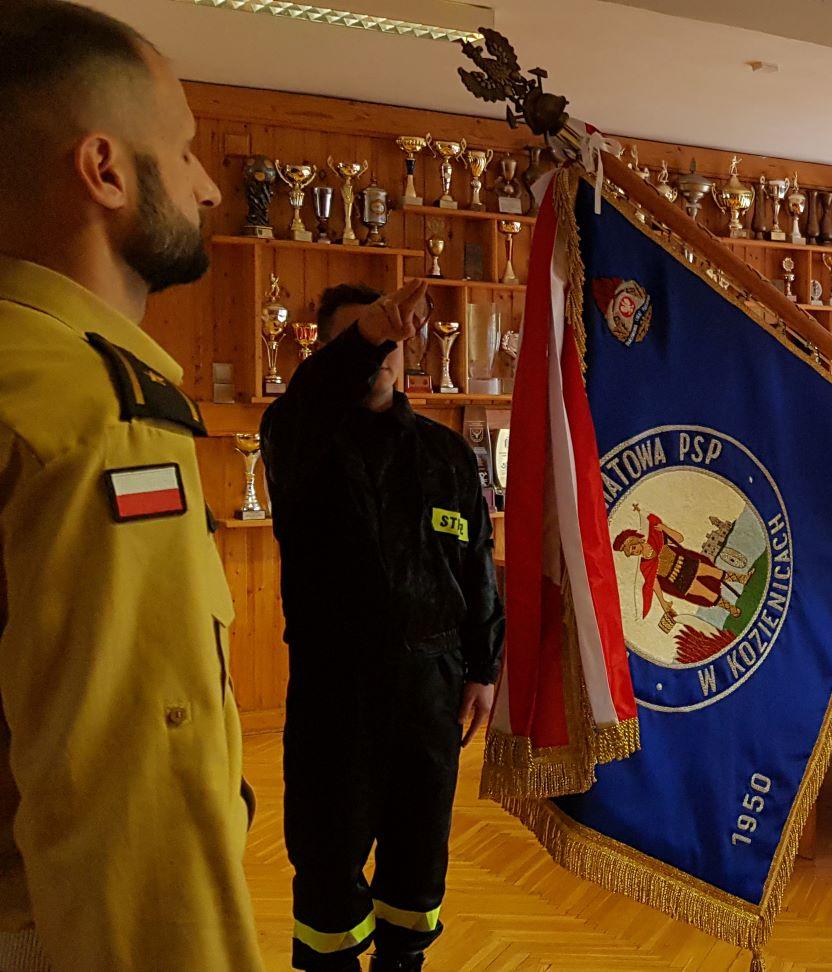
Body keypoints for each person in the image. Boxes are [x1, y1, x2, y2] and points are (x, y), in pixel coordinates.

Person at [0, 3, 260, 968]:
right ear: (105, 170)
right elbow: (137, 790)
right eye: (183, 149)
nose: (207, 186)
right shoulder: (97, 415)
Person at [260, 281, 503, 972]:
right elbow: (307, 402)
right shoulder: (299, 442)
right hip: (336, 692)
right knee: (328, 852)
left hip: (432, 687)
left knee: (419, 851)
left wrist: (484, 667)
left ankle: (403, 959)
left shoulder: (445, 454)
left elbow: (476, 565)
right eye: (360, 337)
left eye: (389, 340)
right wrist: (365, 337)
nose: (379, 352)